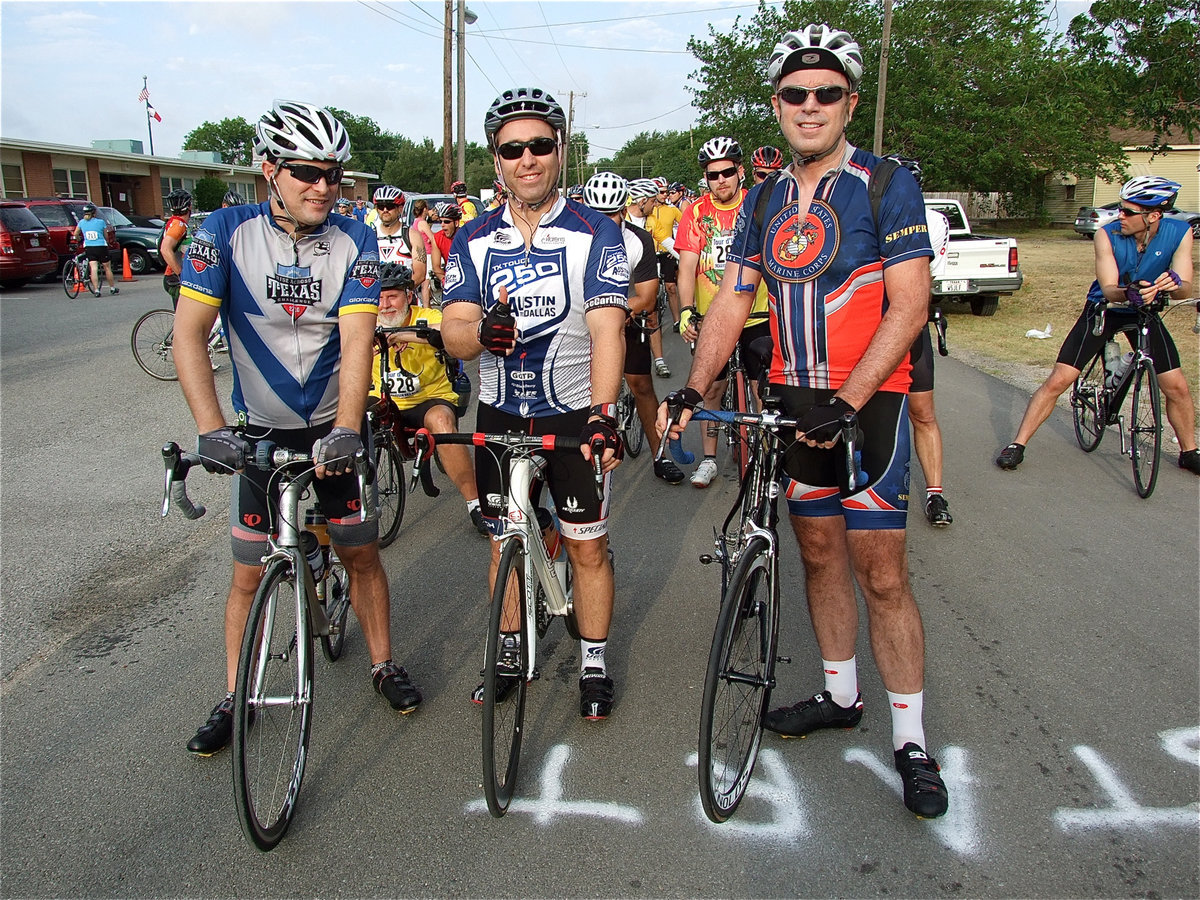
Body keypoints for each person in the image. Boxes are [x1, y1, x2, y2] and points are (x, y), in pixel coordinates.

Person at [658, 24, 948, 818]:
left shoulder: (888, 184)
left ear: (850, 102)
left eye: (826, 93)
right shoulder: (760, 199)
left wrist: (850, 400)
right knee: (817, 550)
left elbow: (910, 305)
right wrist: (693, 387)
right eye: (795, 94)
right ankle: (839, 694)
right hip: (791, 398)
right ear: (777, 106)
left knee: (881, 572)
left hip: (866, 404)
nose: (810, 106)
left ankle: (913, 741)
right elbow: (732, 297)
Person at [173, 100, 421, 757]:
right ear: (269, 171)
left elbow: (359, 336)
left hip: (328, 427)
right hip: (256, 432)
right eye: (308, 171)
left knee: (360, 551)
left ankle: (382, 662)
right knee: (248, 575)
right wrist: (210, 429)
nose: (323, 186)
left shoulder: (355, 237)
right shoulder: (222, 231)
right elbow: (189, 336)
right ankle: (235, 695)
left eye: (334, 174)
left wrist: (345, 428)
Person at [440, 87, 628, 720]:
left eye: (540, 145)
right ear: (496, 157)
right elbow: (455, 332)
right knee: (504, 541)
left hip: (575, 412)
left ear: (560, 152)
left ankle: (593, 661)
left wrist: (604, 414)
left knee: (586, 546)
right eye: (513, 148)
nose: (528, 159)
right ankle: (511, 653)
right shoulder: (470, 239)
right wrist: (479, 335)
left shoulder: (596, 234)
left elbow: (608, 329)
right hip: (499, 415)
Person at [997, 175, 1198, 475]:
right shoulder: (1107, 235)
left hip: (1145, 310)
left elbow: (1185, 287)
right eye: (1120, 207)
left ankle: (1189, 451)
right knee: (1059, 379)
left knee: (1177, 386)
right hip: (1106, 307)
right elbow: (1108, 288)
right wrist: (1128, 291)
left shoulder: (1180, 232)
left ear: (1153, 215)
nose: (1120, 215)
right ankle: (1018, 444)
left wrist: (1174, 284)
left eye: (1129, 211)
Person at [674, 135, 771, 488]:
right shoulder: (696, 212)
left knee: (764, 389)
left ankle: (765, 451)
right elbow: (686, 267)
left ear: (740, 171)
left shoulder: (758, 204)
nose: (721, 181)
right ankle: (709, 458)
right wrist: (686, 311)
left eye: (727, 172)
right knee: (709, 391)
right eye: (712, 175)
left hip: (757, 314)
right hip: (711, 316)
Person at [370, 262, 486, 534]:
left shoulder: (426, 314)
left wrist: (404, 334)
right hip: (383, 400)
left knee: (442, 421)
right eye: (380, 297)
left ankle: (475, 502)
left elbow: (446, 332)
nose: (385, 304)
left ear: (408, 296)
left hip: (429, 398)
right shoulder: (368, 320)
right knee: (351, 425)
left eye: (393, 296)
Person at [584, 170, 684, 484]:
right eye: (599, 215)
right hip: (582, 324)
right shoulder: (573, 237)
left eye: (613, 213)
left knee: (641, 385)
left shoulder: (637, 239)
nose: (608, 221)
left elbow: (647, 295)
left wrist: (619, 311)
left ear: (624, 208)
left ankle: (660, 455)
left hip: (626, 316)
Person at [893, 157, 954, 526]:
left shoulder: (933, 222)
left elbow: (925, 282)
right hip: (868, 328)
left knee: (923, 412)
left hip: (909, 325)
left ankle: (935, 494)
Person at [644, 178, 684, 376]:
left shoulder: (660, 216)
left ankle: (659, 360)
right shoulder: (625, 218)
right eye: (659, 193)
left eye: (666, 192)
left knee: (669, 289)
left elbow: (671, 238)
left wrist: (686, 258)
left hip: (664, 255)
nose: (664, 196)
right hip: (642, 262)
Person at [71, 203, 119, 297]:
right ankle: (112, 288)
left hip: (89, 247)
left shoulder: (81, 222)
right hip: (101, 246)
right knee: (107, 268)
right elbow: (106, 235)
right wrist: (107, 242)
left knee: (93, 268)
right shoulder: (101, 222)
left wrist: (79, 239)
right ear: (94, 213)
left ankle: (96, 290)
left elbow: (76, 233)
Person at [158, 189, 192, 309]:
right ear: (189, 206)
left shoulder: (174, 222)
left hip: (175, 277)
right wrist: (181, 274)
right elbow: (165, 249)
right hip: (175, 278)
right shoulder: (178, 225)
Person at [408, 199, 442, 306]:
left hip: (419, 254)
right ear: (424, 209)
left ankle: (427, 305)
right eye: (427, 208)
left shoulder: (415, 222)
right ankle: (426, 306)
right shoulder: (422, 223)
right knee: (426, 283)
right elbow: (433, 237)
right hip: (427, 254)